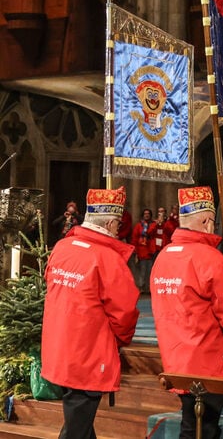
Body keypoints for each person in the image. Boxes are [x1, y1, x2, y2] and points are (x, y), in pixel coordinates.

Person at [151, 186, 223, 439]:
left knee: (193, 424)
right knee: (201, 430)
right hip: (208, 362)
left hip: (176, 358)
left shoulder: (163, 257)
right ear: (207, 222)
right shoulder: (212, 260)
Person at [41, 186, 140, 438]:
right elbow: (124, 313)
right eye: (117, 223)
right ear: (108, 222)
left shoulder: (62, 247)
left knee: (80, 422)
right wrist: (118, 340)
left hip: (60, 347)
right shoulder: (108, 258)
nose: (119, 229)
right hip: (89, 353)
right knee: (76, 428)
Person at [131, 208, 158, 292]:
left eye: (148, 214)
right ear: (143, 215)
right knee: (142, 271)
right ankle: (141, 287)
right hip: (141, 251)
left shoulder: (154, 225)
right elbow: (134, 238)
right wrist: (135, 251)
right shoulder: (139, 226)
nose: (146, 215)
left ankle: (149, 287)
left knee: (151, 271)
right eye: (145, 213)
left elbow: (151, 233)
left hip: (152, 251)